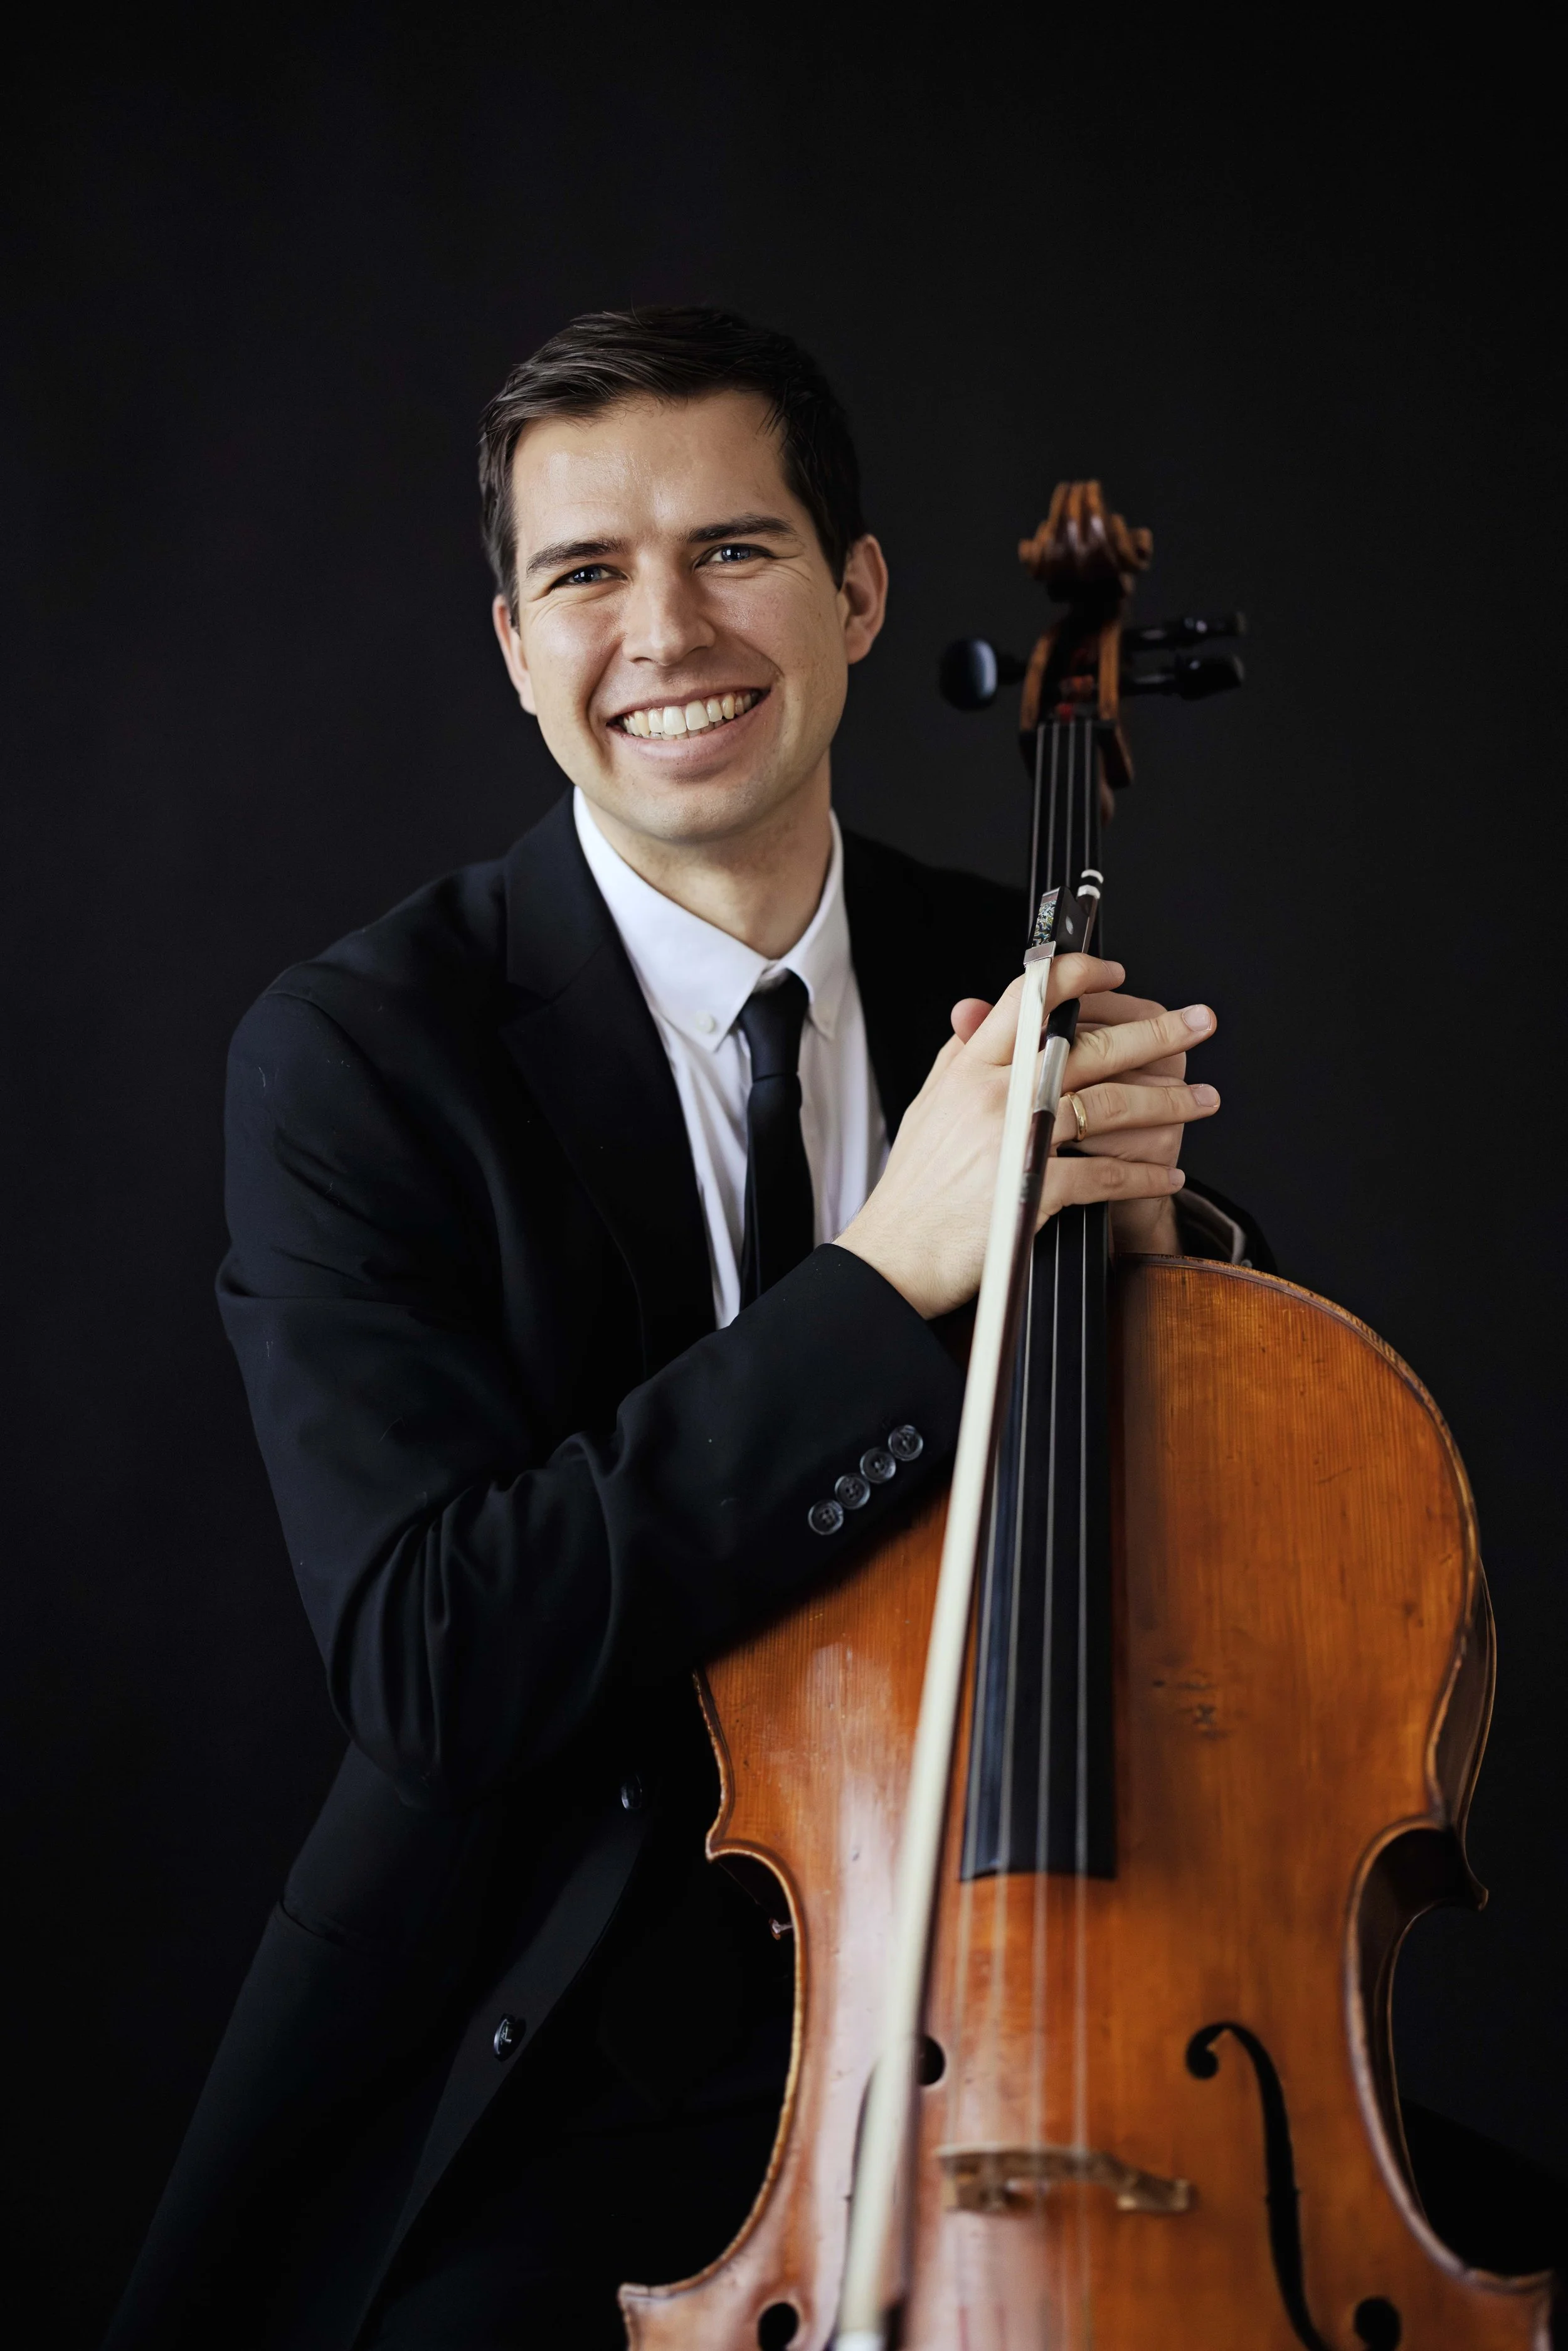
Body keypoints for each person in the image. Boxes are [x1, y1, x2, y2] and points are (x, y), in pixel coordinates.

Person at [106, 305, 1293, 2351]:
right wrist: (882, 1277)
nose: (665, 630)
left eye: (732, 551)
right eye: (585, 571)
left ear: (852, 599)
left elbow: (1230, 1566)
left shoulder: (992, 972)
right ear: (514, 648)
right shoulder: (359, 1058)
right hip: (557, 2049)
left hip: (1029, 2011)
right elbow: (439, 1653)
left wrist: (1171, 1271)